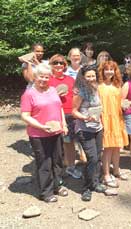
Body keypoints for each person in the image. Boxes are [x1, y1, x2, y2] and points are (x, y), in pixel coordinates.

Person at [21, 63, 68, 203]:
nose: (43, 79)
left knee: (58, 161)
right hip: (38, 134)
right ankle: (46, 192)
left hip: (56, 131)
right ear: (35, 77)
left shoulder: (53, 90)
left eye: (46, 77)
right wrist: (41, 126)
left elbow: (59, 108)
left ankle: (57, 185)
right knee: (45, 163)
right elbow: (25, 115)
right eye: (41, 76)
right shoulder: (29, 94)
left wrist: (64, 124)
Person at [72, 65, 107, 201]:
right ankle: (86, 188)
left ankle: (95, 183)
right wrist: (85, 117)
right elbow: (74, 111)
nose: (91, 78)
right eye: (88, 76)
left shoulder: (96, 88)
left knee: (98, 156)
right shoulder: (80, 91)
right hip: (84, 128)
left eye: (93, 76)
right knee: (91, 158)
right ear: (83, 77)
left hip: (97, 127)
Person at [48, 54, 82, 179]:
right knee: (55, 143)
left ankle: (71, 167)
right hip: (54, 114)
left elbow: (76, 95)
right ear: (51, 65)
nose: (58, 65)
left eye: (61, 63)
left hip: (70, 114)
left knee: (69, 142)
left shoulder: (70, 80)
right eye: (55, 63)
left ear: (65, 65)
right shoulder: (48, 80)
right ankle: (54, 170)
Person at [98, 61, 129, 188]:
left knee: (117, 146)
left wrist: (125, 105)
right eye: (107, 69)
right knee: (108, 148)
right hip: (105, 118)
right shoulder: (98, 86)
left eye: (112, 69)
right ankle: (105, 174)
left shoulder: (118, 85)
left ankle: (116, 170)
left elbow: (121, 101)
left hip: (117, 118)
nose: (109, 71)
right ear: (102, 71)